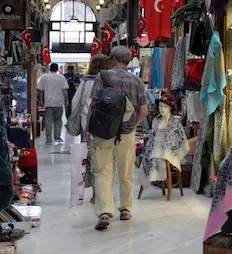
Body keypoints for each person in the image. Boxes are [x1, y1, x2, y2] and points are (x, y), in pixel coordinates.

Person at [88, 46, 148, 231]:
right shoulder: (137, 81)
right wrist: (131, 125)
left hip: (104, 131)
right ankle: (126, 209)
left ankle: (105, 211)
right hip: (127, 133)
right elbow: (144, 111)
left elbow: (94, 104)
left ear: (113, 59)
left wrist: (89, 129)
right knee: (126, 171)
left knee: (102, 171)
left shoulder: (103, 76)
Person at [70, 54, 111, 203]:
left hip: (87, 127)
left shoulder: (85, 82)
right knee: (105, 162)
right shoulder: (109, 82)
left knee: (92, 161)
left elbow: (75, 103)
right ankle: (103, 192)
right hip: (107, 128)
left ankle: (96, 193)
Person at [37, 63, 69, 144]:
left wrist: (40, 100)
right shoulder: (61, 77)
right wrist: (66, 100)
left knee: (48, 120)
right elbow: (65, 90)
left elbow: (41, 90)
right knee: (58, 120)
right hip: (59, 102)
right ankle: (57, 137)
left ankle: (48, 139)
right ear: (57, 69)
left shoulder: (44, 77)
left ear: (50, 68)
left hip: (48, 102)